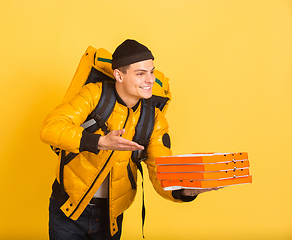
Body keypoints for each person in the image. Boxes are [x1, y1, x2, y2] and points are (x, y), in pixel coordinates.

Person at [40, 39, 214, 240]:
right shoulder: (94, 94)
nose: (149, 79)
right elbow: (50, 128)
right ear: (118, 75)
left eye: (151, 71)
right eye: (140, 73)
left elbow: (161, 171)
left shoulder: (154, 119)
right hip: (68, 211)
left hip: (110, 218)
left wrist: (185, 190)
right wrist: (100, 142)